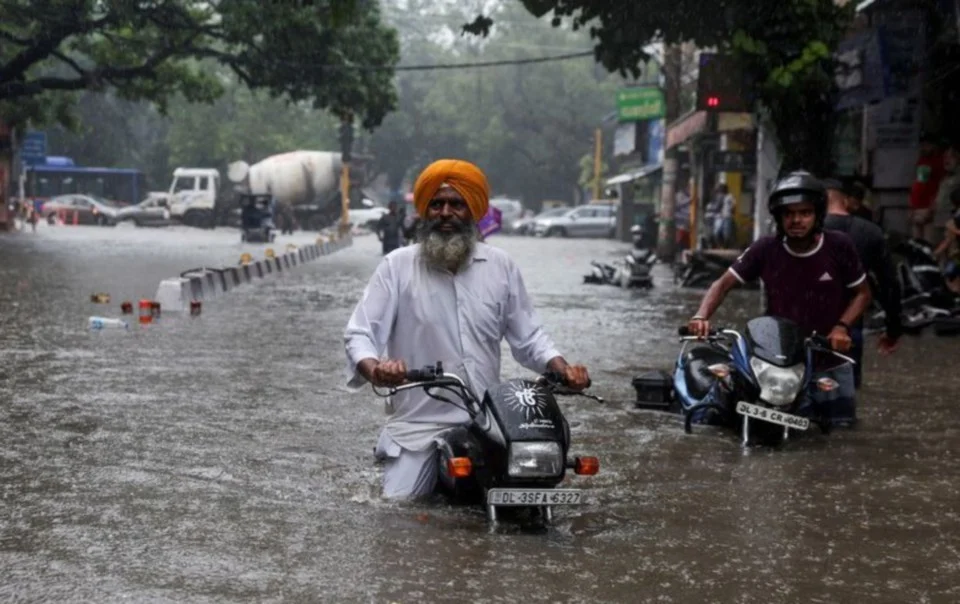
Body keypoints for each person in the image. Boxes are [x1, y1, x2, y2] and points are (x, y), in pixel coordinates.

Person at [343, 158, 591, 499]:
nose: (446, 212)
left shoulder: (501, 266)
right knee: (399, 509)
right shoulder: (396, 267)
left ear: (473, 210)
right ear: (424, 211)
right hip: (420, 427)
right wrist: (377, 369)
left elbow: (530, 337)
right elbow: (360, 334)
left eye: (456, 203)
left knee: (536, 490)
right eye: (437, 203)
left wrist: (563, 369)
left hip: (491, 424)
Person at [687, 172, 873, 427]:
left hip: (828, 359)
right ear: (779, 217)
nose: (796, 220)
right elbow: (722, 285)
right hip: (777, 362)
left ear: (817, 215)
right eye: (789, 214)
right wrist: (701, 316)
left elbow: (863, 294)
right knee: (748, 426)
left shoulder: (839, 246)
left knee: (840, 436)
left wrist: (842, 327)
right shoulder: (765, 249)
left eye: (805, 213)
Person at [823, 177, 902, 389]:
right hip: (850, 326)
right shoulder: (870, 232)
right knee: (847, 398)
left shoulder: (801, 231)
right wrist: (893, 329)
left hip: (805, 325)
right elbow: (889, 284)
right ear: (847, 201)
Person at [909, 134, 946, 242]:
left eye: (927, 145)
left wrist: (932, 207)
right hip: (916, 205)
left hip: (929, 206)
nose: (924, 148)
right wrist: (911, 206)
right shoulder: (922, 160)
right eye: (923, 145)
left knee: (928, 241)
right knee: (916, 241)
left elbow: (941, 186)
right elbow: (916, 183)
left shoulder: (940, 162)